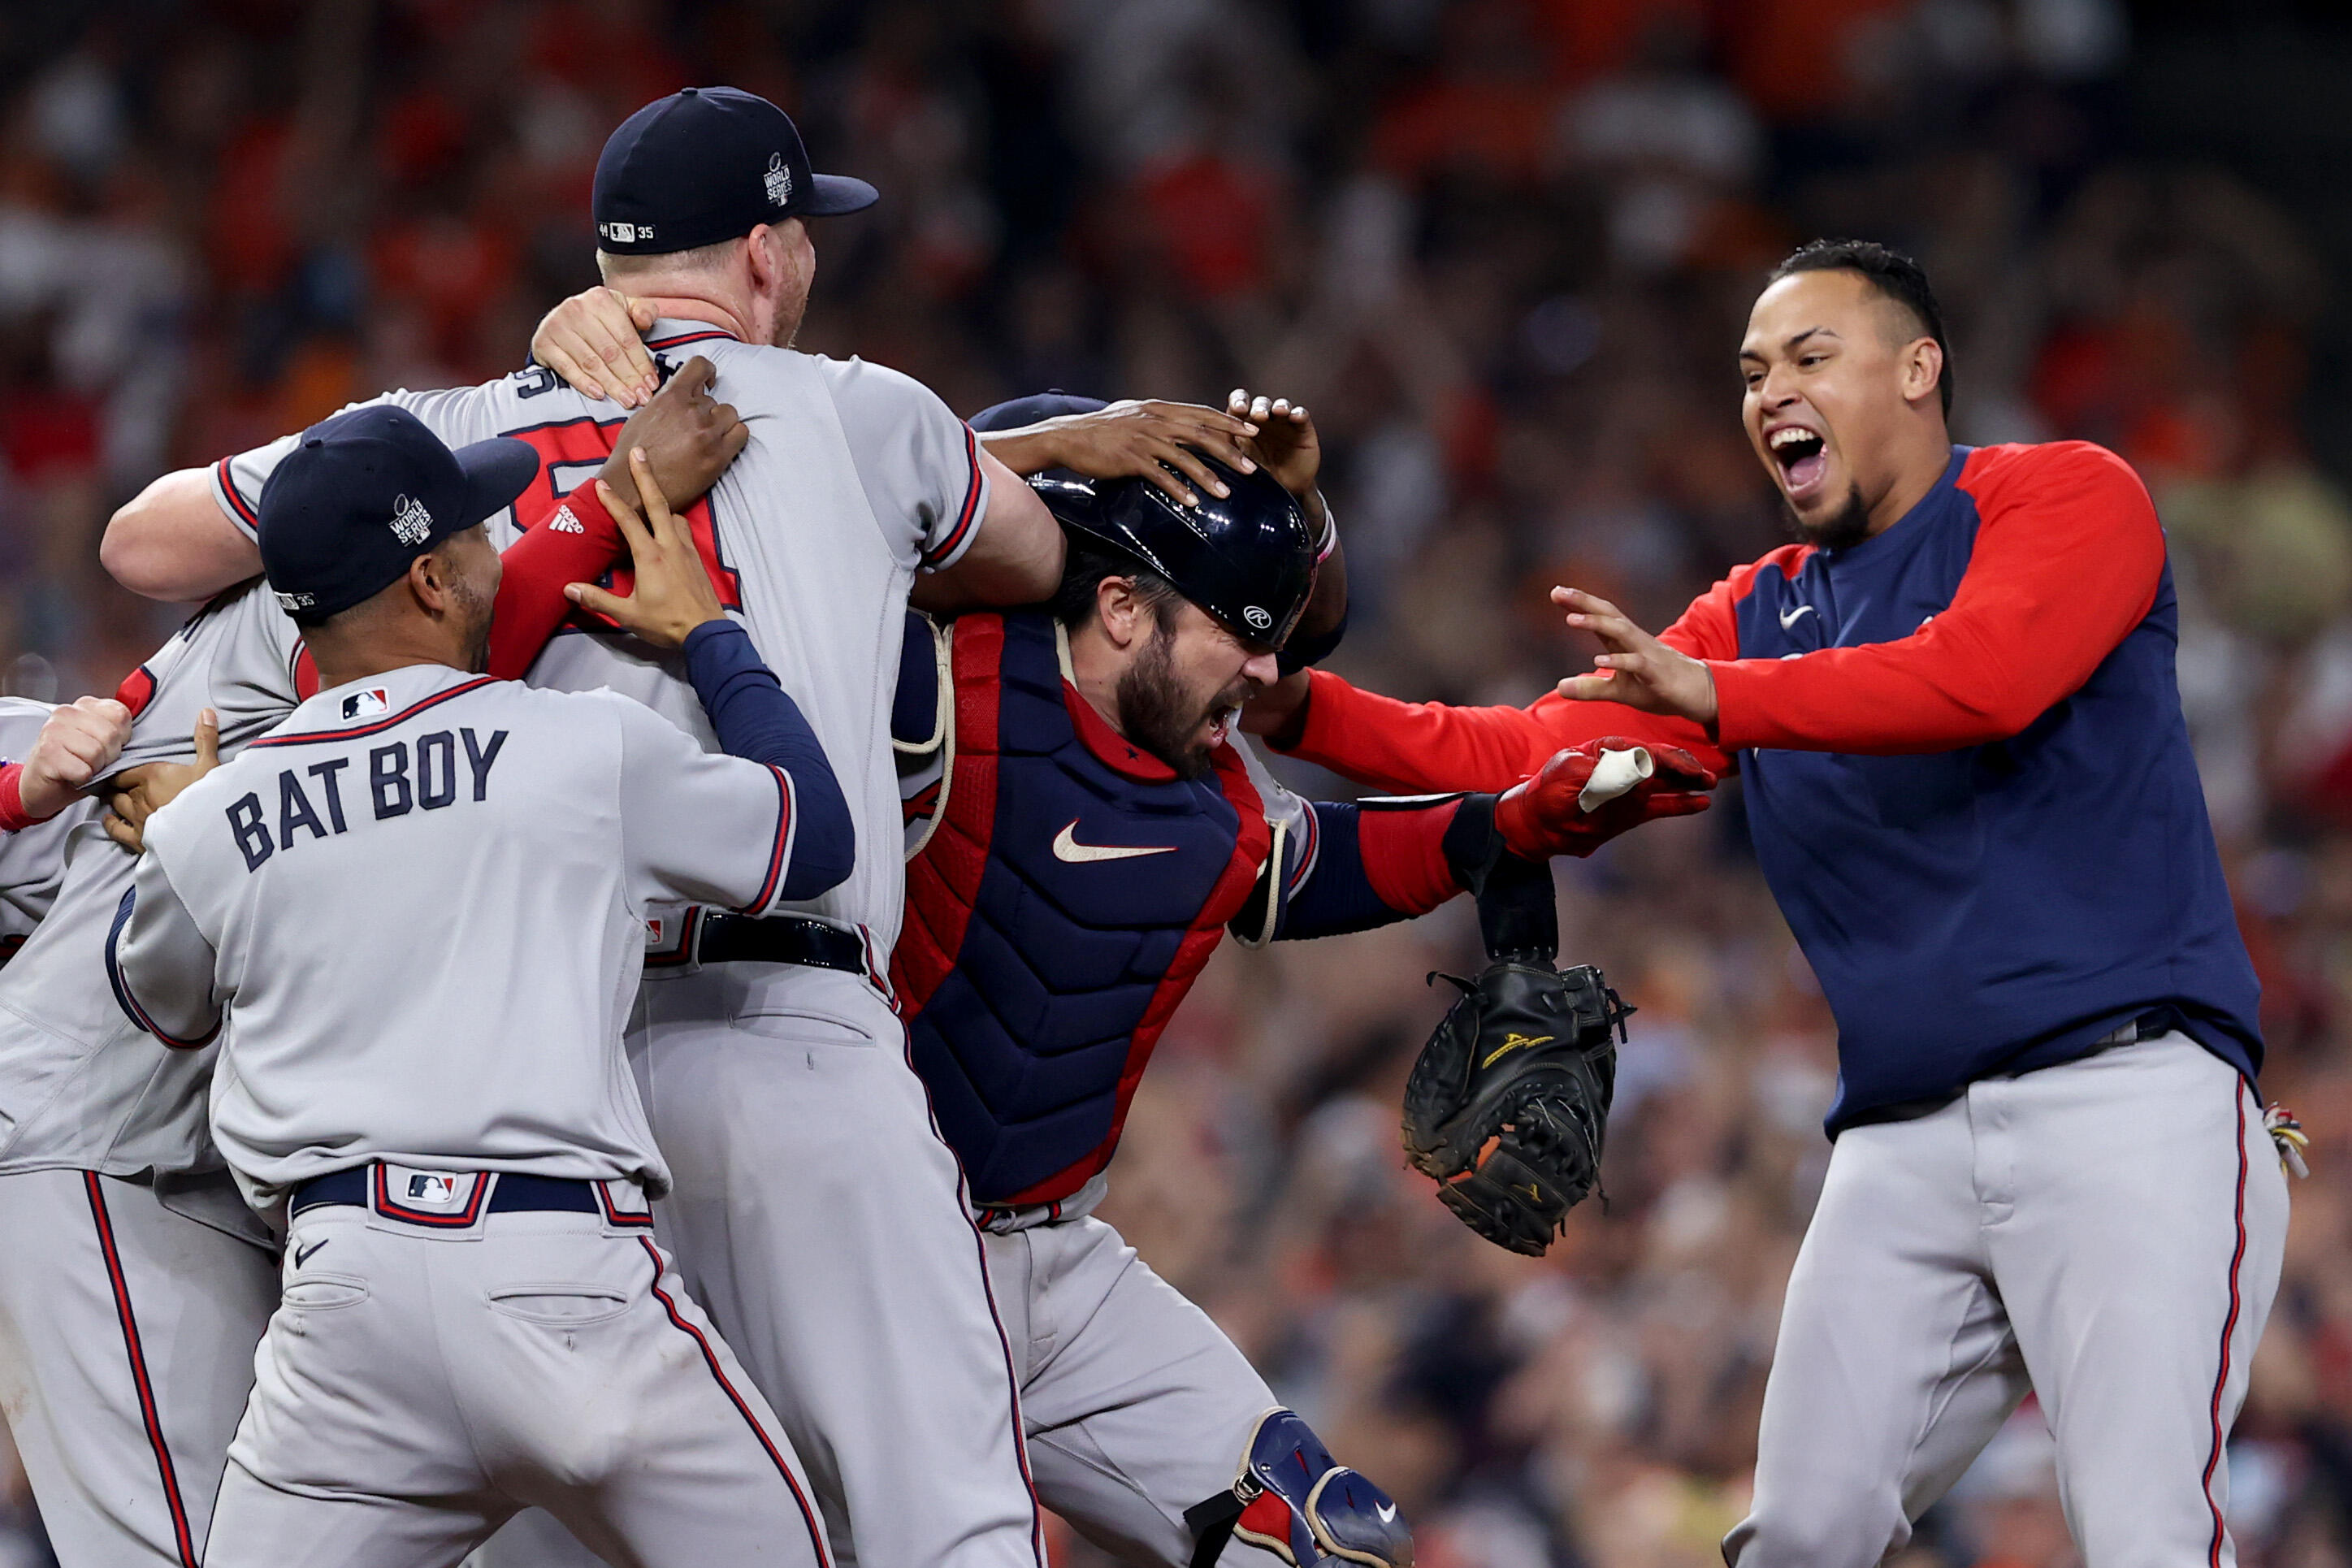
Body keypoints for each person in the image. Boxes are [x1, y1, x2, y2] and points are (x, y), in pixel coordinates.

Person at [103, 85, 1074, 1568]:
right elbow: (1035, 551)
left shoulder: (445, 438)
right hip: (797, 1039)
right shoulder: (871, 411)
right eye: (802, 234)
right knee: (941, 1523)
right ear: (766, 249)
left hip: (560, 1074)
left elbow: (144, 539)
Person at [1248, 239, 2289, 1567]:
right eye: (1751, 373)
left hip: (2131, 1101)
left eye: (1809, 355)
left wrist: (1719, 699)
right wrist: (1308, 707)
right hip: (1901, 1140)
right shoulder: (1757, 614)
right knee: (1797, 1534)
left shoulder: (2069, 496)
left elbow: (1982, 678)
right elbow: (1531, 745)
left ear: (1921, 369)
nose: (1769, 392)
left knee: (2147, 1538)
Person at [884, 405, 1713, 1568]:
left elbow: (1319, 863)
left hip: (1052, 1268)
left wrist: (1513, 824)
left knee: (1331, 1544)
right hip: (865, 1256)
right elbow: (837, 492)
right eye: (1238, 628)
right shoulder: (921, 688)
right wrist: (1058, 449)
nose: (1268, 668)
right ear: (1120, 605)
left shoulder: (1213, 784)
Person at [0, 366, 739, 1568]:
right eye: (470, 532)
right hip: (99, 1134)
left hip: (192, 1153)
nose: (495, 547)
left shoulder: (305, 645)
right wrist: (611, 497)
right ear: (411, 573)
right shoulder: (300, 641)